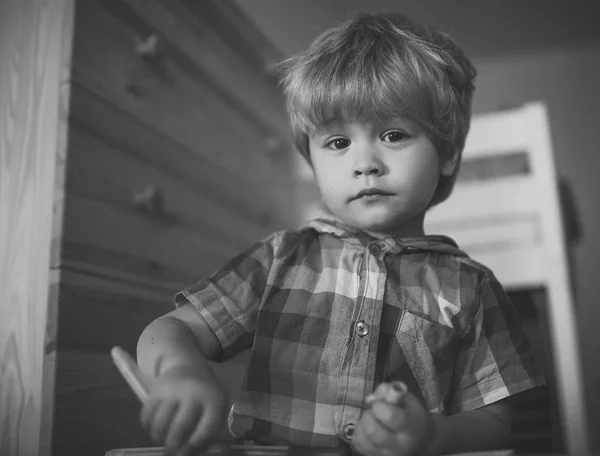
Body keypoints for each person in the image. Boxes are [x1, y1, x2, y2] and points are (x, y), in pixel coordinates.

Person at [136, 11, 546, 456]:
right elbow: (170, 330)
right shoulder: (279, 259)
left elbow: (494, 423)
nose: (365, 162)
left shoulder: (473, 286)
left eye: (393, 134)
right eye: (337, 143)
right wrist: (180, 372)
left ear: (446, 153)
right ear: (312, 161)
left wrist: (433, 435)